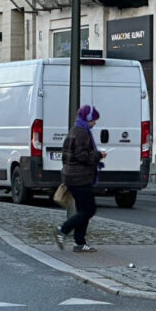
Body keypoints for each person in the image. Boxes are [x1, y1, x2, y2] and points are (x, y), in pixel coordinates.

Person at [54, 104, 105, 253]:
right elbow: (81, 155)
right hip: (80, 177)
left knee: (84, 210)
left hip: (72, 176)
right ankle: (62, 230)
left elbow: (67, 155)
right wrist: (98, 155)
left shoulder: (74, 130)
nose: (95, 123)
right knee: (89, 210)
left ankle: (80, 243)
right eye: (94, 119)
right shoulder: (83, 133)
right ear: (88, 119)